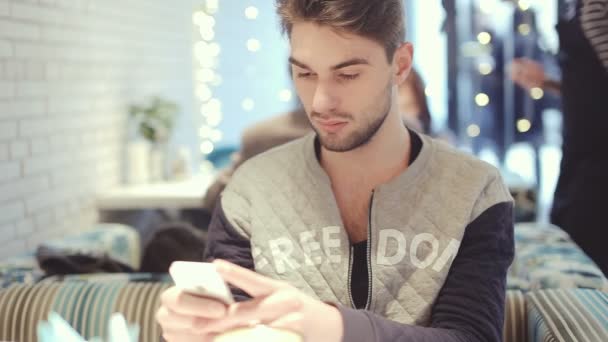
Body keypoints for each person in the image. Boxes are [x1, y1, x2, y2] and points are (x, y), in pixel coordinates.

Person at [157, 1, 514, 341]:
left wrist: (337, 329)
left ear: (401, 65)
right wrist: (195, 328)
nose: (320, 102)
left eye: (347, 74)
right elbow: (230, 328)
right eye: (305, 73)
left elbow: (472, 336)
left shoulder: (474, 191)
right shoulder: (250, 192)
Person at [510, 0, 608, 275]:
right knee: (566, 240)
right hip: (577, 149)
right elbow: (590, 86)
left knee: (586, 252)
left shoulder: (597, 7)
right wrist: (547, 82)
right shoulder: (569, 6)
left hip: (599, 158)